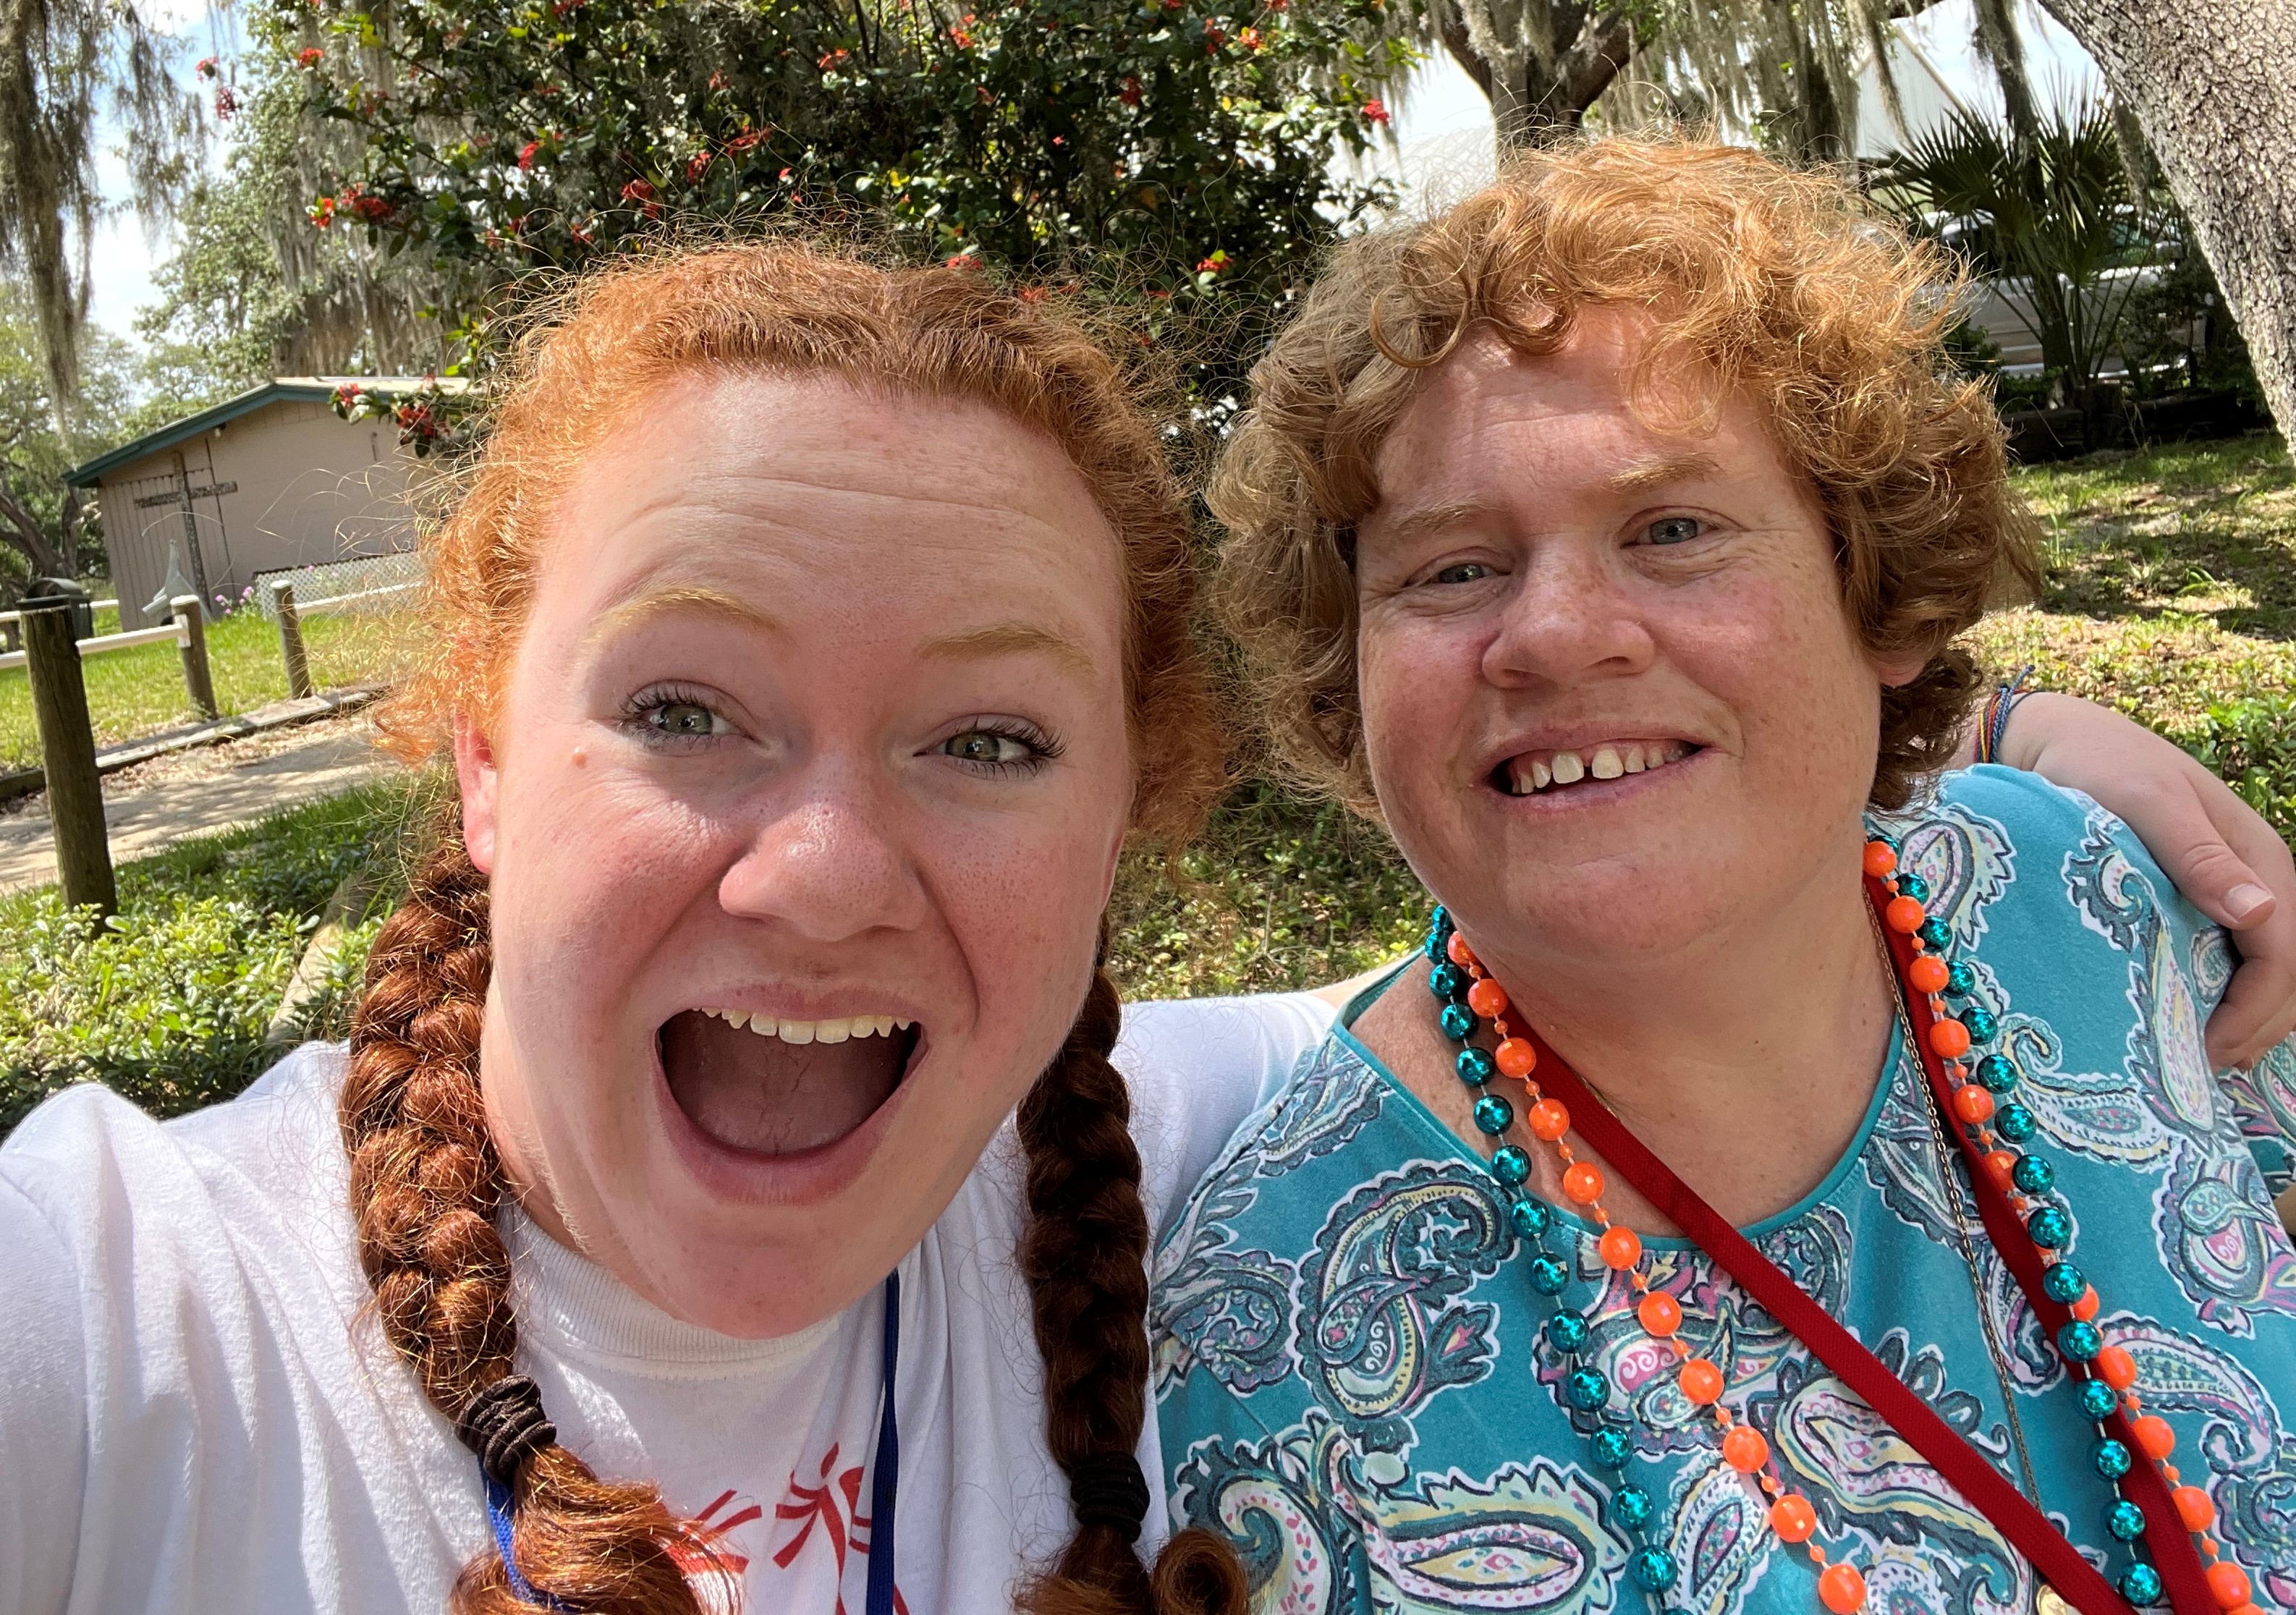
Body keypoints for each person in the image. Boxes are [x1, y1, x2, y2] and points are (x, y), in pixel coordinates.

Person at [0, 235, 2282, 1615]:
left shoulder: (1129, 1154)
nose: (814, 877)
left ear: (1123, 830)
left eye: (984, 742)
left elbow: (1637, 917)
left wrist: (1981, 726)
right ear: (481, 760)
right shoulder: (126, 1320)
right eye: (683, 707)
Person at [1154, 141, 2296, 1615]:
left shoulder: (2079, 897)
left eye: (1674, 530)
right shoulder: (1283, 1340)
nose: (1557, 635)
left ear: (1875, 594)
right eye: (1451, 568)